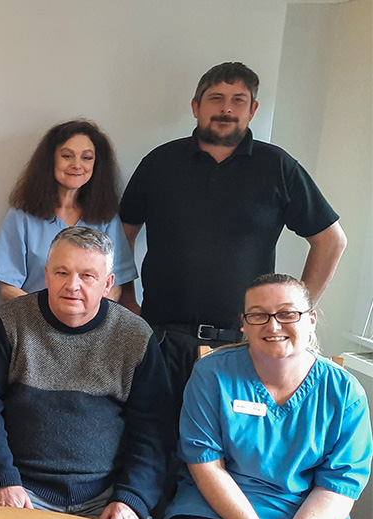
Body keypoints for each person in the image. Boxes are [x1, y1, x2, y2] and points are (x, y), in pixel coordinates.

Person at [119, 61, 347, 411]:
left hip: (243, 345)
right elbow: (122, 233)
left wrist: (293, 315)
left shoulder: (278, 167)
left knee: (232, 449)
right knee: (155, 445)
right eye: (216, 98)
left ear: (253, 109)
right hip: (160, 338)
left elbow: (331, 240)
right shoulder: (160, 163)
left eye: (239, 100)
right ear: (196, 107)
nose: (226, 108)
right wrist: (126, 299)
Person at [167, 274, 371, 519]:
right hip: (218, 510)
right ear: (244, 325)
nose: (273, 325)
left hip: (308, 515)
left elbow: (339, 485)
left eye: (288, 313)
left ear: (311, 320)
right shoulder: (212, 375)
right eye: (258, 314)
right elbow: (207, 467)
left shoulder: (345, 393)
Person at [0, 227, 171, 519]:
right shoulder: (10, 322)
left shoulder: (135, 335)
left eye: (87, 276)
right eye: (62, 272)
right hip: (24, 492)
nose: (72, 285)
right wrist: (3, 479)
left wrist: (131, 499)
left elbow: (154, 431)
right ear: (47, 275)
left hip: (109, 497)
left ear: (108, 284)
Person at [0, 120, 136, 301]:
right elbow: (8, 288)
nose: (77, 165)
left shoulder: (107, 218)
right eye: (67, 156)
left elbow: (115, 286)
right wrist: (47, 319)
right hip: (34, 324)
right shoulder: (22, 216)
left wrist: (88, 324)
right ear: (51, 160)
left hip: (92, 327)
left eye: (86, 158)